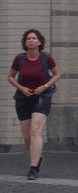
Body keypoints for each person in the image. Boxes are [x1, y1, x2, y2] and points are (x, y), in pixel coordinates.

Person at [8, 29, 61, 180]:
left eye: (33, 38)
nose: (31, 40)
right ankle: (37, 158)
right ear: (25, 43)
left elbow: (57, 74)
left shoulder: (46, 58)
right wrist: (21, 88)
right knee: (26, 135)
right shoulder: (19, 59)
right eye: (28, 39)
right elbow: (10, 77)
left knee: (35, 129)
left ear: (39, 42)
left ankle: (33, 168)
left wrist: (45, 87)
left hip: (42, 96)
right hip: (23, 97)